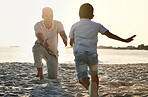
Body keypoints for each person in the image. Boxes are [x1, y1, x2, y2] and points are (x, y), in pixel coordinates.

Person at [69, 3, 136, 97]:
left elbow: (71, 42)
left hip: (79, 54)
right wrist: (124, 40)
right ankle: (95, 93)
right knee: (94, 74)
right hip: (92, 54)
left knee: (82, 77)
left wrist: (74, 44)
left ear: (79, 15)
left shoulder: (74, 26)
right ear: (92, 16)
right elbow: (110, 35)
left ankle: (90, 89)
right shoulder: (97, 25)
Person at [32, 7, 67, 80]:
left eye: (51, 15)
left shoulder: (58, 24)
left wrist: (64, 38)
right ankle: (40, 75)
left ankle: (47, 72)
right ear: (42, 16)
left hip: (53, 53)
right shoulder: (38, 25)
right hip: (43, 49)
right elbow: (39, 35)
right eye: (47, 15)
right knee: (36, 47)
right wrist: (42, 42)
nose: (49, 17)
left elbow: (62, 32)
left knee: (53, 78)